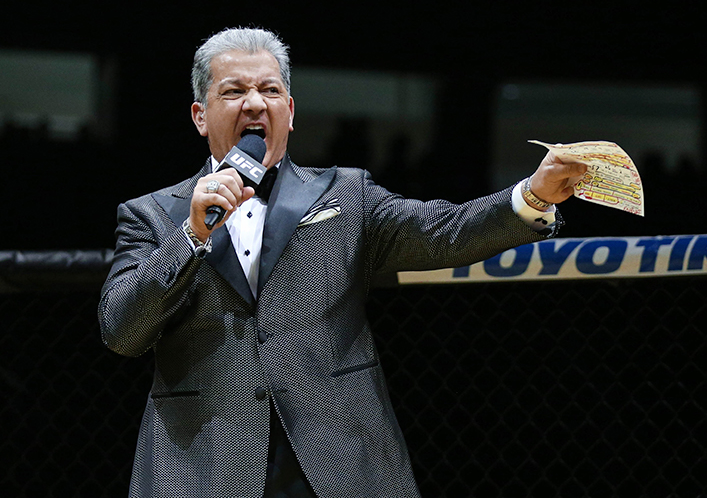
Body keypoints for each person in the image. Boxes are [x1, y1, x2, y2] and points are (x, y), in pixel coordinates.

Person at [98, 27, 586, 498]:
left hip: (338, 462)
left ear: (289, 112)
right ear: (200, 116)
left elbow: (441, 232)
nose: (254, 102)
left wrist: (532, 195)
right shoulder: (154, 215)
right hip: (203, 469)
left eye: (269, 89)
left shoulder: (345, 195)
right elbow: (122, 330)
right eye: (234, 91)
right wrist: (192, 236)